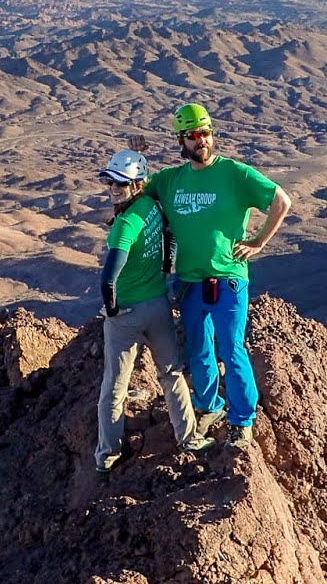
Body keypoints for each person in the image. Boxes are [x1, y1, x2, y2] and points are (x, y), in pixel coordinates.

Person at [141, 104, 292, 448]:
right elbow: (135, 194)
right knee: (198, 349)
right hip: (190, 282)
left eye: (205, 133)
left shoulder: (235, 174)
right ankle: (209, 406)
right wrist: (136, 155)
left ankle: (242, 420)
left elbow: (281, 200)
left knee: (232, 349)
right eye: (193, 136)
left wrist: (258, 242)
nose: (201, 141)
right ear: (181, 140)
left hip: (228, 279)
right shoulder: (170, 180)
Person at [94, 149, 208, 473]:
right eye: (111, 182)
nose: (114, 188)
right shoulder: (152, 208)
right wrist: (167, 269)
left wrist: (112, 310)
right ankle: (188, 439)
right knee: (171, 374)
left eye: (121, 183)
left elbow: (108, 278)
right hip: (158, 305)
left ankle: (108, 454)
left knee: (114, 389)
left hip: (127, 315)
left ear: (137, 184)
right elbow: (170, 235)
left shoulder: (125, 223)